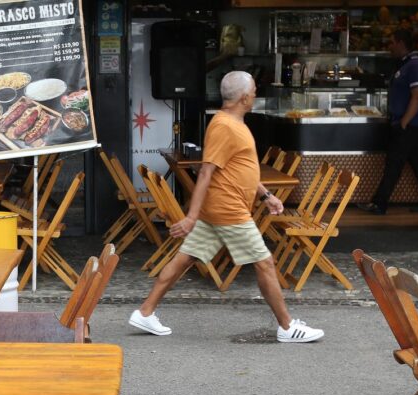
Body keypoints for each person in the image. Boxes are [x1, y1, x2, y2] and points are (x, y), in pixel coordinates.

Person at [128, 71, 324, 344]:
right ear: (244, 97)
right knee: (265, 262)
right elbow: (206, 172)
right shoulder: (224, 126)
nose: (256, 94)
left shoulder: (233, 123)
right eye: (254, 90)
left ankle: (145, 312)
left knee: (185, 258)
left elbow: (239, 168)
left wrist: (266, 194)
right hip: (228, 210)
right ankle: (287, 326)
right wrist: (190, 217)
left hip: (220, 209)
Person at [358, 29, 418, 215]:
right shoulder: (403, 64)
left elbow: (417, 96)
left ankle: (379, 204)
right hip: (406, 123)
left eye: (392, 42)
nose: (389, 46)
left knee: (394, 163)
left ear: (401, 43)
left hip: (410, 125)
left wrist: (404, 122)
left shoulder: (415, 65)